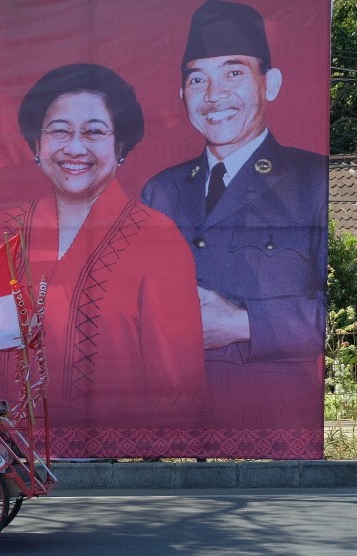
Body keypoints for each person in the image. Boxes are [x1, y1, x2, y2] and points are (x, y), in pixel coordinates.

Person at [0, 63, 207, 456]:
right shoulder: (2, 232)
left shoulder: (157, 237)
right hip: (6, 452)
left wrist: (161, 451)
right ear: (36, 144)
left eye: (94, 132)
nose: (75, 148)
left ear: (119, 146)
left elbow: (175, 368)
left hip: (121, 455)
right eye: (59, 131)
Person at [142, 1, 327, 435]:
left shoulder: (313, 180)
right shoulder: (160, 190)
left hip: (274, 421)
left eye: (234, 72)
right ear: (181, 95)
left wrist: (243, 322)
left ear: (271, 83)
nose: (213, 95)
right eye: (197, 78)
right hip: (172, 421)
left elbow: (337, 311)